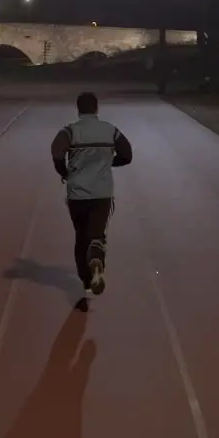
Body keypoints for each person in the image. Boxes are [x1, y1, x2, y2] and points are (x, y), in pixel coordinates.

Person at [49, 91, 133, 301]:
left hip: (77, 194)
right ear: (97, 109)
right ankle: (96, 258)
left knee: (81, 236)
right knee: (97, 234)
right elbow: (127, 155)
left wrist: (64, 172)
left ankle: (86, 281)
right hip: (102, 193)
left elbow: (56, 152)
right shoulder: (110, 130)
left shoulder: (69, 131)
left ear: (78, 110)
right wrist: (108, 163)